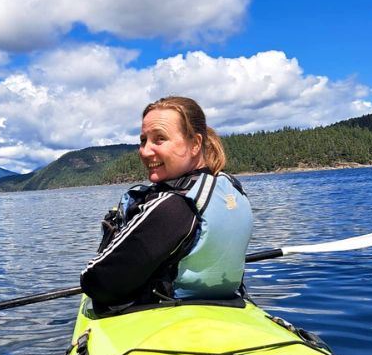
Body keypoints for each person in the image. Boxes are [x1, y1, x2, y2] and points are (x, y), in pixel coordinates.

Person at [80, 96, 253, 312]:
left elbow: (96, 282)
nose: (145, 151)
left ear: (195, 144)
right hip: (228, 305)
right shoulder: (231, 189)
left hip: (169, 313)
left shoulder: (172, 206)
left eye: (159, 139)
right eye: (143, 140)